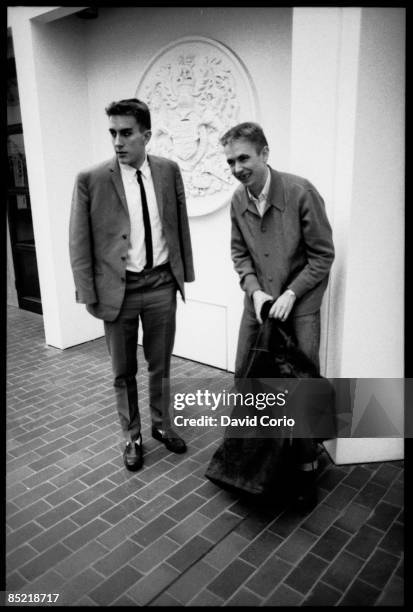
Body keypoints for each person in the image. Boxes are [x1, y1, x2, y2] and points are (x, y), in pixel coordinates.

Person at [69, 98, 195, 471]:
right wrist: (88, 294)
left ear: (146, 135)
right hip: (118, 292)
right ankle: (132, 437)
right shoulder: (90, 179)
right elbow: (79, 242)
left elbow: (179, 224)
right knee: (123, 372)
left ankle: (161, 426)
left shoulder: (169, 171)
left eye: (126, 133)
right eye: (113, 133)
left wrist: (183, 274)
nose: (118, 141)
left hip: (160, 286)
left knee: (161, 365)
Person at [219, 122, 334, 511]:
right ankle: (253, 459)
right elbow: (240, 255)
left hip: (299, 305)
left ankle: (304, 465)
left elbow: (322, 256)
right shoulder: (238, 200)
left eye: (244, 158)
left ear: (265, 153)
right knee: (244, 373)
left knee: (300, 385)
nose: (237, 167)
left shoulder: (302, 192)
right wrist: (254, 290)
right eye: (232, 160)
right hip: (260, 304)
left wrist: (291, 293)